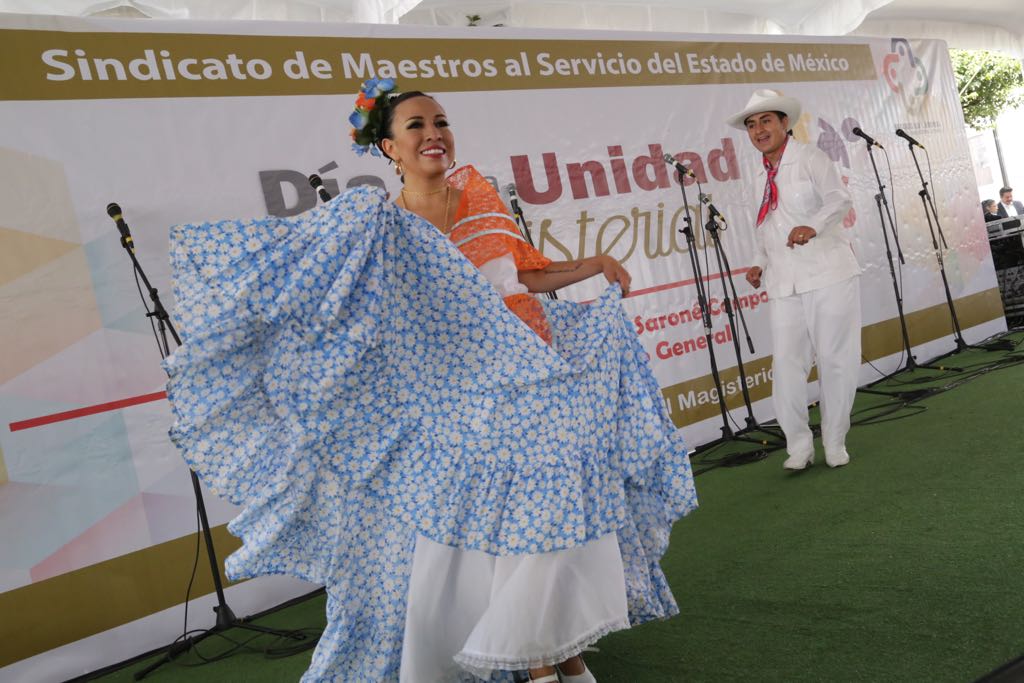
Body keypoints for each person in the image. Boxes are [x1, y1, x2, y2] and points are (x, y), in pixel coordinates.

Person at [165, 78, 697, 683]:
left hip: (535, 369)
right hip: (460, 397)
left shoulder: (482, 198)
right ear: (387, 148)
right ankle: (547, 664)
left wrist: (593, 266)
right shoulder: (381, 224)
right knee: (525, 516)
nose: (433, 134)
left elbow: (524, 277)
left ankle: (557, 654)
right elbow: (345, 301)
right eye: (415, 125)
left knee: (560, 508)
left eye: (440, 121)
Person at [729, 89, 861, 470]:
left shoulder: (810, 157)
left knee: (835, 360)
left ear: (784, 123)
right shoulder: (757, 175)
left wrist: (812, 226)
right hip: (783, 281)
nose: (758, 130)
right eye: (751, 125)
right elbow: (765, 228)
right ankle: (799, 446)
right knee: (786, 364)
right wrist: (758, 263)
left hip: (828, 272)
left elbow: (839, 199)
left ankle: (834, 442)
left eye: (765, 121)